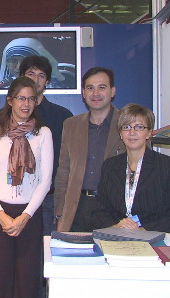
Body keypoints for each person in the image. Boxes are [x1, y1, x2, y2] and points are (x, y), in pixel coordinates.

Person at [0, 76, 53, 298]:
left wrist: (25, 216)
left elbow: (45, 181)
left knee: (28, 278)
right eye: (21, 98)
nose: (26, 104)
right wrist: (1, 214)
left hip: (29, 215)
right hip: (0, 213)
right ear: (10, 100)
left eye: (31, 99)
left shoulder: (43, 134)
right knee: (0, 277)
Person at [0, 55, 73, 234]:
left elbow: (66, 162)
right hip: (10, 196)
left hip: (48, 199)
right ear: (21, 77)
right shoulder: (3, 117)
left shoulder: (62, 116)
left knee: (43, 255)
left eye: (41, 75)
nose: (35, 80)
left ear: (47, 81)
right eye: (31, 74)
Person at [92, 104, 170, 233]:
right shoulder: (110, 166)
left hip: (153, 239)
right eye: (126, 127)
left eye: (139, 127)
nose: (132, 133)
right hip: (117, 237)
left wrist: (142, 231)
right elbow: (99, 211)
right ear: (120, 133)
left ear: (148, 133)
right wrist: (117, 226)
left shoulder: (166, 165)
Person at [54, 67, 126, 232]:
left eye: (102, 87)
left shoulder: (128, 125)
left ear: (112, 91)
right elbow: (63, 172)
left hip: (115, 210)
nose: (96, 93)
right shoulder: (71, 125)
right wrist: (59, 213)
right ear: (83, 93)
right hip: (77, 208)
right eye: (90, 88)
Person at [0, 38, 65, 88]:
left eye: (24, 61)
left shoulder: (55, 88)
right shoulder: (3, 86)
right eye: (13, 61)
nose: (18, 67)